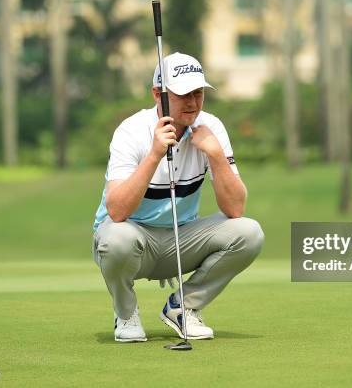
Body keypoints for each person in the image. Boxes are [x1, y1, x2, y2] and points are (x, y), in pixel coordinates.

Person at [91, 52, 264, 342]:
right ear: (158, 94)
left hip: (179, 239)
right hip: (132, 240)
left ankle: (183, 307)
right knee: (117, 238)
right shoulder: (131, 131)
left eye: (198, 93)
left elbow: (235, 208)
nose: (193, 102)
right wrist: (155, 154)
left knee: (250, 232)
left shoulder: (212, 127)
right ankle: (126, 313)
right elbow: (117, 211)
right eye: (183, 94)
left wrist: (215, 154)